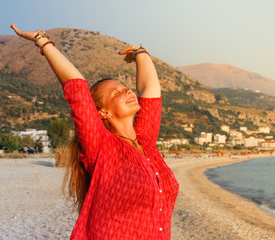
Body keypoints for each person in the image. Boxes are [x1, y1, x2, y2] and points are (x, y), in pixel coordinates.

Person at [11, 24, 179, 240]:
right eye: (117, 92)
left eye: (125, 87)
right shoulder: (101, 146)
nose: (128, 90)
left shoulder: (145, 142)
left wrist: (140, 54)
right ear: (103, 112)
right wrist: (42, 40)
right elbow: (77, 87)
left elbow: (151, 90)